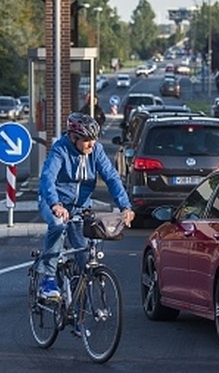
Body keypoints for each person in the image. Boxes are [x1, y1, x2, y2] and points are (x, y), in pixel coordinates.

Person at [37, 113, 135, 299]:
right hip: (54, 202)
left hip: (81, 207)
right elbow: (47, 178)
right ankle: (48, 278)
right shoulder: (60, 150)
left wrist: (125, 206)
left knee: (85, 254)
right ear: (74, 138)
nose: (92, 145)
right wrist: (56, 204)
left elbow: (112, 177)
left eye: (94, 140)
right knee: (57, 225)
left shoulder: (95, 151)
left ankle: (78, 308)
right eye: (87, 140)